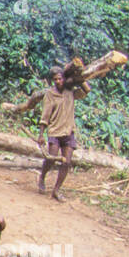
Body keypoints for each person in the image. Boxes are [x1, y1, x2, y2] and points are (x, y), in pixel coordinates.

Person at [37, 65, 90, 202]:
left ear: (64, 78)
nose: (58, 82)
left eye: (60, 79)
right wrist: (41, 134)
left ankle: (56, 190)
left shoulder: (70, 92)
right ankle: (42, 177)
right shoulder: (50, 94)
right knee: (51, 158)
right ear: (52, 81)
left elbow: (87, 90)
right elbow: (45, 115)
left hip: (68, 132)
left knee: (66, 162)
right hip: (55, 131)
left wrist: (79, 78)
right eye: (55, 79)